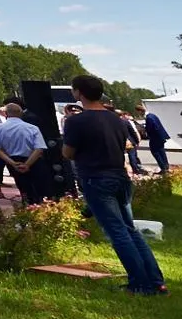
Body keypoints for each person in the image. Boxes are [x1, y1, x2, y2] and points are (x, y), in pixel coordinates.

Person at [65, 76, 167, 296]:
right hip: (120, 177)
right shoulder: (116, 119)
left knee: (118, 233)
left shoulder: (75, 121)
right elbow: (126, 145)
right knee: (130, 230)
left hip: (96, 179)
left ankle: (140, 284)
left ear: (78, 93)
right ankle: (156, 281)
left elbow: (68, 153)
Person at [0, 103, 50, 204]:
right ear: (21, 113)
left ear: (6, 113)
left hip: (13, 160)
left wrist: (12, 163)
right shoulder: (32, 128)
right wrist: (27, 164)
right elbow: (39, 148)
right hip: (32, 160)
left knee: (22, 185)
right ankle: (39, 205)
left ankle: (26, 204)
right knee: (37, 186)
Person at [138, 103, 171, 175]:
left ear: (140, 111)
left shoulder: (149, 118)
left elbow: (152, 128)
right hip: (160, 137)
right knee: (162, 152)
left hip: (155, 138)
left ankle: (163, 168)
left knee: (156, 152)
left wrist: (145, 130)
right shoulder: (153, 115)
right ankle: (166, 166)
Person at [118, 111, 147, 176]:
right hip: (129, 141)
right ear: (122, 115)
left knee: (120, 156)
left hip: (119, 142)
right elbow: (132, 131)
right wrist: (136, 141)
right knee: (132, 156)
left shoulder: (112, 122)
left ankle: (123, 171)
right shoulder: (125, 121)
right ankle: (135, 170)